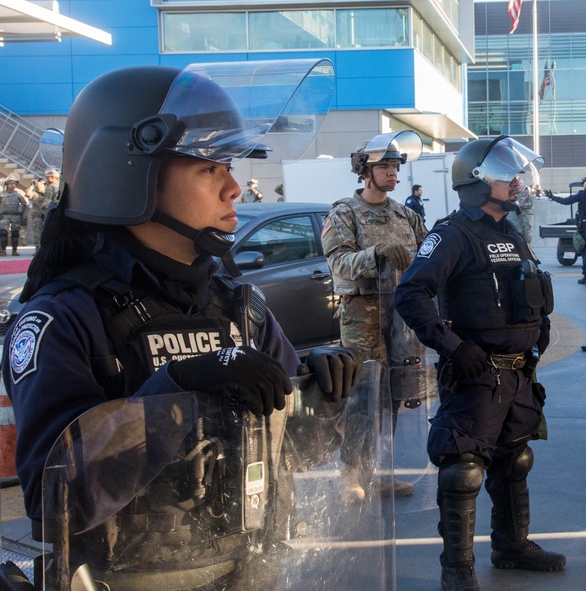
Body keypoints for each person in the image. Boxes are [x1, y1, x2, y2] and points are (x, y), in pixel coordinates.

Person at [0, 63, 361, 589]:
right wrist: (174, 392)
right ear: (130, 176)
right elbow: (54, 499)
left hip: (249, 573)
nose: (233, 188)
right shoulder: (63, 317)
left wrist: (322, 394)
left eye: (228, 167)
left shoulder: (237, 305)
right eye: (209, 169)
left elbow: (298, 452)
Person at [394, 135, 563, 591]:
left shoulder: (510, 232)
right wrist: (453, 347)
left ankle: (511, 545)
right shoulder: (452, 234)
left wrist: (539, 333)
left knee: (515, 459)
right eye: (505, 175)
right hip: (477, 374)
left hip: (518, 372)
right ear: (476, 182)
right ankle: (458, 569)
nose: (516, 182)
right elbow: (411, 294)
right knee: (463, 468)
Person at [322, 131, 427, 499]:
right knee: (363, 396)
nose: (393, 172)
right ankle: (351, 475)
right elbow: (339, 263)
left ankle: (378, 471)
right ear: (365, 171)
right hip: (362, 315)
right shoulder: (345, 213)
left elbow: (427, 254)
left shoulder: (406, 214)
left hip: (401, 316)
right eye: (385, 166)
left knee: (395, 394)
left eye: (396, 166)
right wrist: (376, 253)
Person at [545, 174, 586, 284]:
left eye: (583, 182)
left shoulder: (582, 194)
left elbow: (566, 201)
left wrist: (552, 197)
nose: (583, 184)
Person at [25, 168, 60, 247]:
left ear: (52, 177)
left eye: (47, 177)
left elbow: (47, 202)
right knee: (40, 233)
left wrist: (45, 210)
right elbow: (29, 194)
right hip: (43, 214)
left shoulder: (51, 187)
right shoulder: (58, 186)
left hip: (49, 213)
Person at [0, 177, 28, 256]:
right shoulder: (2, 194)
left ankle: (14, 250)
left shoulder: (18, 194)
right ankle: (3, 250)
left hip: (16, 216)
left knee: (15, 234)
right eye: (10, 183)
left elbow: (24, 204)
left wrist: (20, 211)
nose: (12, 185)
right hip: (4, 216)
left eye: (14, 184)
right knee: (3, 233)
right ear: (6, 185)